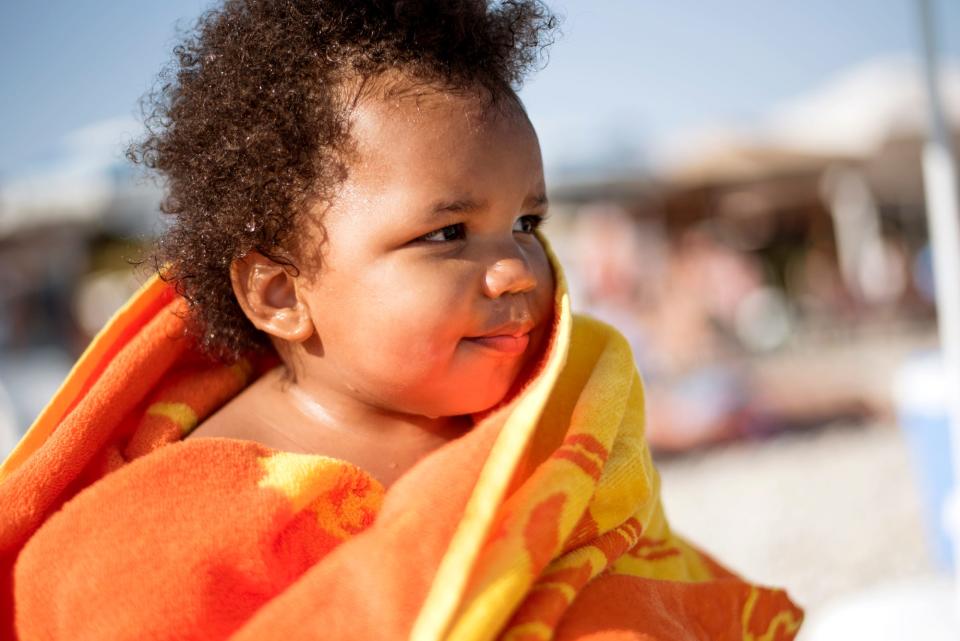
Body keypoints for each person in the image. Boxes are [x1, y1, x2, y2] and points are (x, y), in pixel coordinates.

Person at [0, 2, 803, 639]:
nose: (518, 266)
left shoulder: (547, 410)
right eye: (448, 234)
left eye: (527, 220)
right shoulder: (192, 504)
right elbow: (87, 591)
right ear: (281, 294)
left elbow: (636, 570)